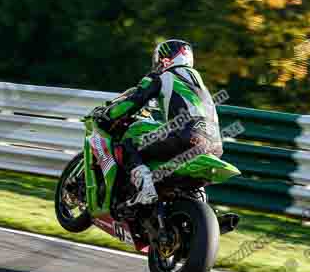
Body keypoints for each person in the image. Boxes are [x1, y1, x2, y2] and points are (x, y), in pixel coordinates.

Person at [93, 39, 223, 207]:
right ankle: (202, 205)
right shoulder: (200, 84)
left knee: (127, 145)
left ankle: (146, 189)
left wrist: (108, 114)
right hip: (215, 144)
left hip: (188, 136)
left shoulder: (163, 76)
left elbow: (134, 101)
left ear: (166, 58)